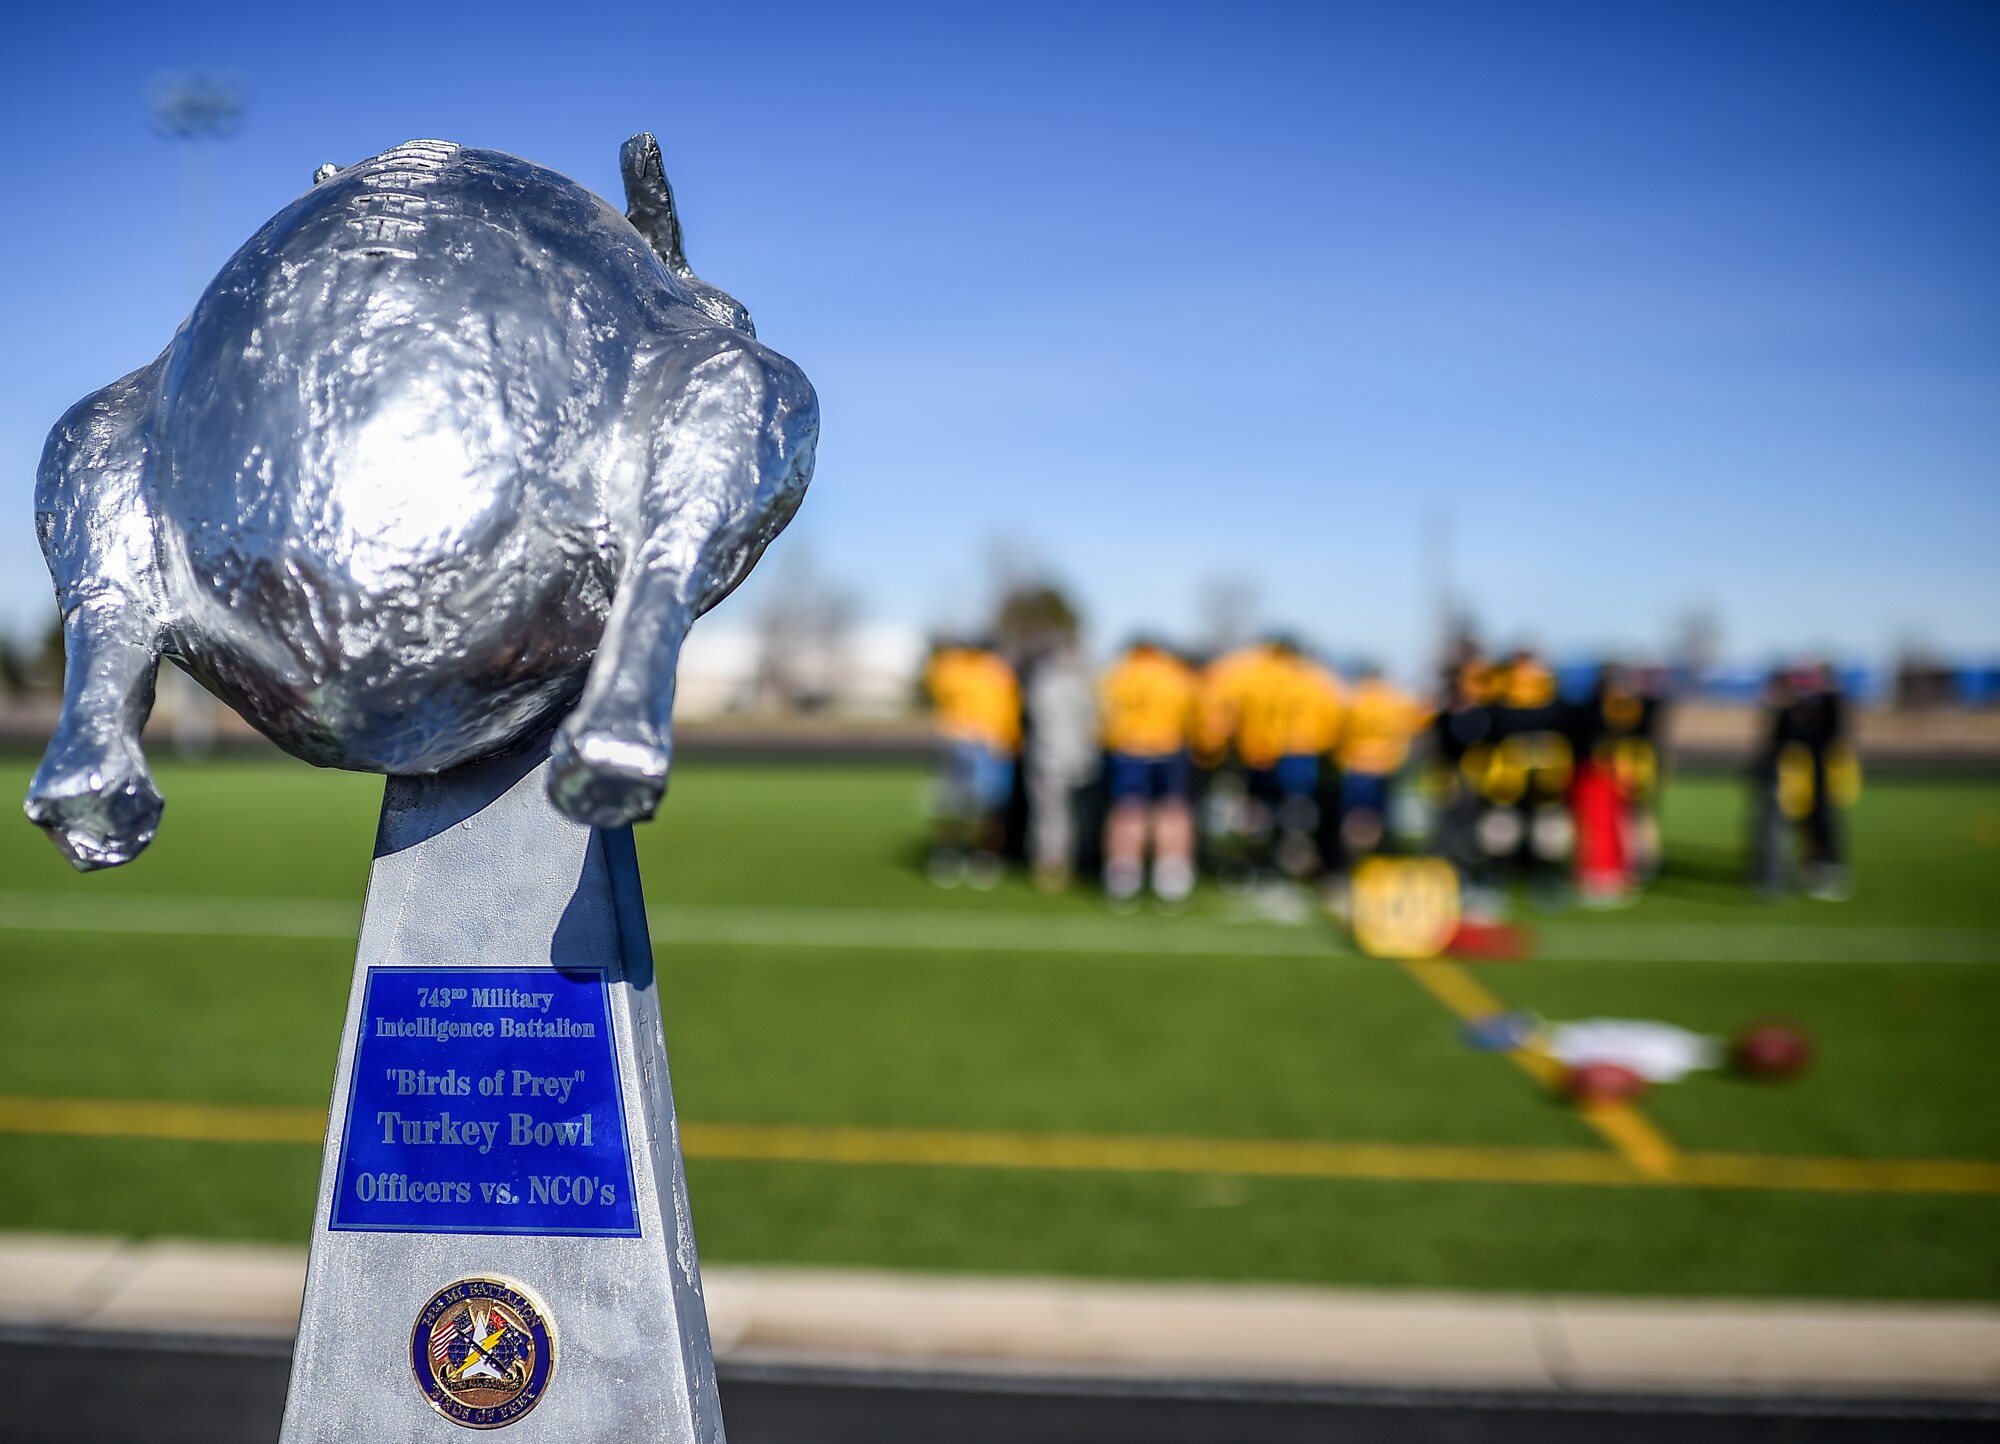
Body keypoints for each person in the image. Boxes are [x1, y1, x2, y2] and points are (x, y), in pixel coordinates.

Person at [1198, 635, 1344, 880]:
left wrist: (1223, 742)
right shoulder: (1312, 676)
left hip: (1260, 750)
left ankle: (1261, 858)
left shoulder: (1247, 672)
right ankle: (1293, 859)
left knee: (1262, 810)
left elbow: (1223, 708)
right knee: (1297, 808)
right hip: (1300, 750)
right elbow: (1333, 714)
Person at [1098, 638, 1200, 904]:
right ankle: (1171, 872)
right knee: (1172, 810)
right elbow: (1194, 714)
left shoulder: (1117, 673)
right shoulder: (1176, 674)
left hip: (1129, 749)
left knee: (1128, 810)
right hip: (1169, 748)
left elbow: (1102, 716)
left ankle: (1123, 872)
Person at [1750, 662, 1859, 900]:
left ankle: (1827, 869)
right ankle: (1789, 871)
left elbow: (1833, 734)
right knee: (1786, 826)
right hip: (1791, 778)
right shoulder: (1789, 707)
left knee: (1821, 823)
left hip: (1818, 778)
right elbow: (1777, 740)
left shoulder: (1827, 704)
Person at [922, 638, 1020, 888]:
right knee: (953, 803)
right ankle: (949, 853)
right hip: (960, 743)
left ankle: (982, 856)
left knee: (988, 806)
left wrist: (1006, 740)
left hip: (990, 746)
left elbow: (1008, 709)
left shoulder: (997, 671)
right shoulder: (953, 667)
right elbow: (936, 686)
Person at [1334, 665, 1431, 867]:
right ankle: (1375, 859)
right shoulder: (1396, 699)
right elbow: (1421, 721)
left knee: (1353, 818)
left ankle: (1353, 861)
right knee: (1380, 818)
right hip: (1387, 764)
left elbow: (1335, 729)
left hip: (1357, 764)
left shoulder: (1352, 699)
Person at [1022, 637, 1098, 891]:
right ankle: (1057, 863)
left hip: (1054, 758)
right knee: (1059, 815)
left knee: (1052, 815)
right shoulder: (1081, 683)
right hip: (1066, 758)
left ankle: (1054, 863)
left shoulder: (1045, 683)